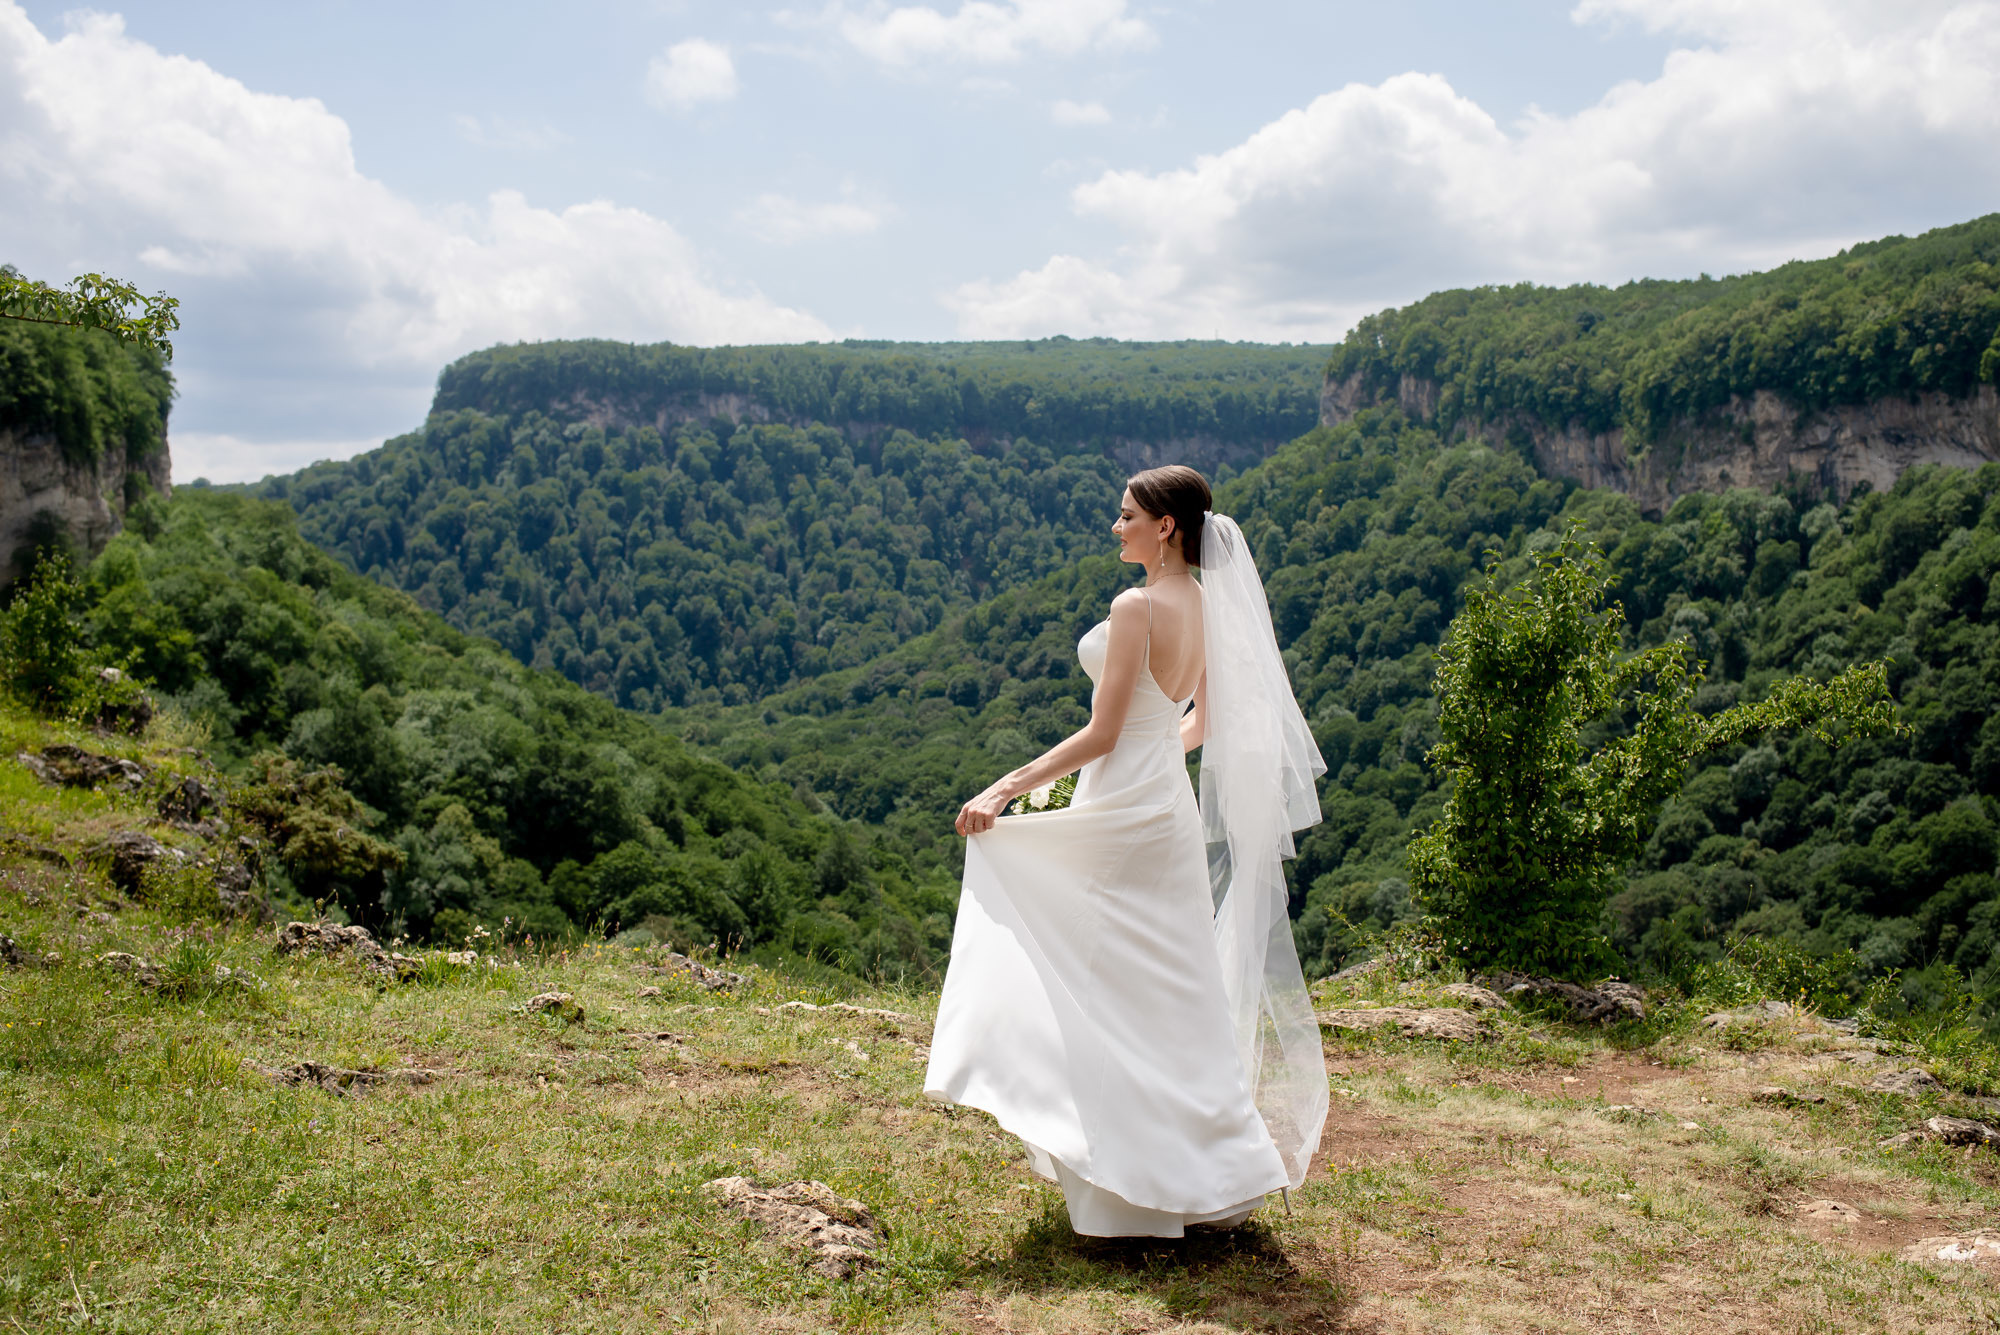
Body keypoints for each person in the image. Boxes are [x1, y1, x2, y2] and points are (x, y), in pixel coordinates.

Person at [924, 464, 1328, 1238]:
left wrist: (1005, 787)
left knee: (1094, 967)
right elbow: (1200, 724)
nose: (1117, 527)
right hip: (1163, 807)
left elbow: (1103, 733)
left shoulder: (1135, 605)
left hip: (1119, 800)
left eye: (1126, 516)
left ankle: (1122, 1172)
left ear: (1165, 526)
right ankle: (1205, 1174)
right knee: (1171, 986)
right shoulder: (1210, 606)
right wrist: (1153, 754)